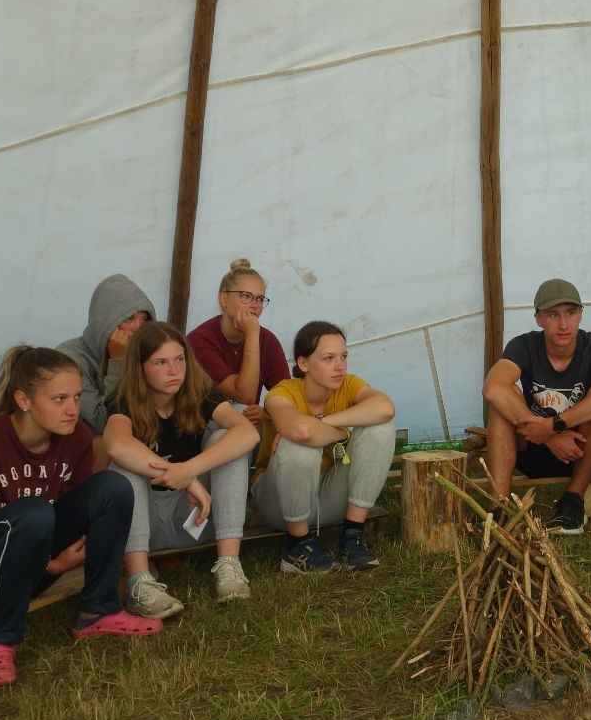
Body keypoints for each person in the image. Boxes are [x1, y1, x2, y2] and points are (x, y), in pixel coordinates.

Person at [0, 346, 158, 689]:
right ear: (23, 400)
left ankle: (99, 611)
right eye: (59, 399)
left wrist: (53, 562)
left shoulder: (75, 438)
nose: (72, 409)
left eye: (76, 397)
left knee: (112, 487)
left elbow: (74, 511)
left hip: (28, 566)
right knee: (34, 511)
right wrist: (50, 566)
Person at [103, 322, 260, 616]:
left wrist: (190, 470)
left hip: (194, 516)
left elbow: (248, 433)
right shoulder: (123, 401)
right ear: (140, 367)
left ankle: (229, 565)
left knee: (227, 439)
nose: (174, 370)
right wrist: (183, 477)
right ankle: (140, 583)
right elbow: (116, 444)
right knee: (124, 466)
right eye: (161, 363)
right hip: (144, 523)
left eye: (179, 359)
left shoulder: (199, 391)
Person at [482, 279, 591, 534]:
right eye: (553, 315)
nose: (563, 324)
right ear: (538, 319)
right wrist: (548, 436)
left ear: (581, 314)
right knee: (504, 398)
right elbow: (492, 388)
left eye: (570, 313)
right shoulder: (523, 345)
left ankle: (573, 502)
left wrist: (553, 426)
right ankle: (499, 508)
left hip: (584, 452)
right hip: (534, 451)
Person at [251, 321, 396, 573]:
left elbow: (385, 408)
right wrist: (340, 431)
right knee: (298, 444)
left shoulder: (348, 384)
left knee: (380, 427)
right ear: (304, 363)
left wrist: (324, 423)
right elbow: (302, 431)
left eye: (343, 356)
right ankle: (297, 546)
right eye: (329, 358)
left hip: (327, 494)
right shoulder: (281, 393)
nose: (340, 366)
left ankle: (352, 535)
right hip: (280, 505)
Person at [188, 258, 289, 428]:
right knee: (239, 414)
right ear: (223, 299)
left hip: (249, 425)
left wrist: (267, 412)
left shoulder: (268, 340)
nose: (255, 305)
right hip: (204, 427)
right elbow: (244, 396)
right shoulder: (200, 340)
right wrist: (252, 335)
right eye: (246, 296)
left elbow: (287, 395)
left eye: (260, 299)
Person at [56, 273, 156, 435]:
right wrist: (117, 361)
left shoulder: (146, 352)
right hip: (88, 443)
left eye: (144, 319)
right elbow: (103, 423)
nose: (138, 327)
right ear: (105, 321)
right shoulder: (70, 358)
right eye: (129, 319)